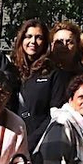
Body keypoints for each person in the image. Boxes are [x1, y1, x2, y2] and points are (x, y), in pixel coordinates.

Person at [12, 19, 60, 149]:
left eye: (38, 37)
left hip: (39, 142)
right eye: (28, 37)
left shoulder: (52, 73)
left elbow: (55, 113)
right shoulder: (11, 69)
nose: (33, 42)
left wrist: (33, 140)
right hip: (11, 138)